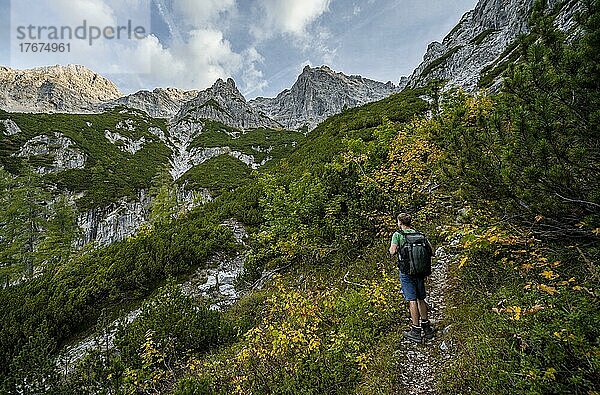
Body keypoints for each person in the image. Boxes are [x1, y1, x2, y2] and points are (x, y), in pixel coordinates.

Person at [389, 212, 435, 343]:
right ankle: (426, 327)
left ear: (400, 222)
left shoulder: (398, 235)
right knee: (421, 297)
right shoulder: (420, 234)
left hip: (407, 271)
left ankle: (415, 330)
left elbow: (392, 251)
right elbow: (431, 251)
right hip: (420, 271)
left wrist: (396, 249)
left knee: (412, 299)